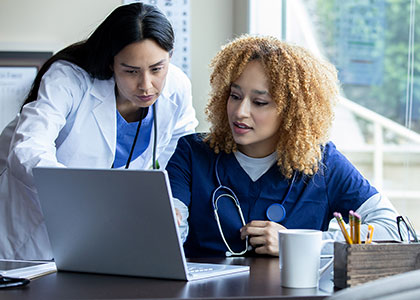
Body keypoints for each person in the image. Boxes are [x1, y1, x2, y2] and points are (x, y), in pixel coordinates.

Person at [165, 35, 400, 258]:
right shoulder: (192, 153)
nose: (240, 112)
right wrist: (169, 224)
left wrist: (296, 242)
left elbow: (393, 229)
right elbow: (171, 228)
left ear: (292, 111)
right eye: (235, 96)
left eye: (259, 102)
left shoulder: (322, 162)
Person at [0, 2, 197, 260]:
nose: (146, 85)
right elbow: (27, 150)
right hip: (33, 232)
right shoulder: (68, 79)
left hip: (106, 235)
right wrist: (86, 198)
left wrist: (168, 205)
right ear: (111, 62)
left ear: (170, 56)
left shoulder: (176, 88)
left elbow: (180, 156)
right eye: (131, 71)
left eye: (157, 69)